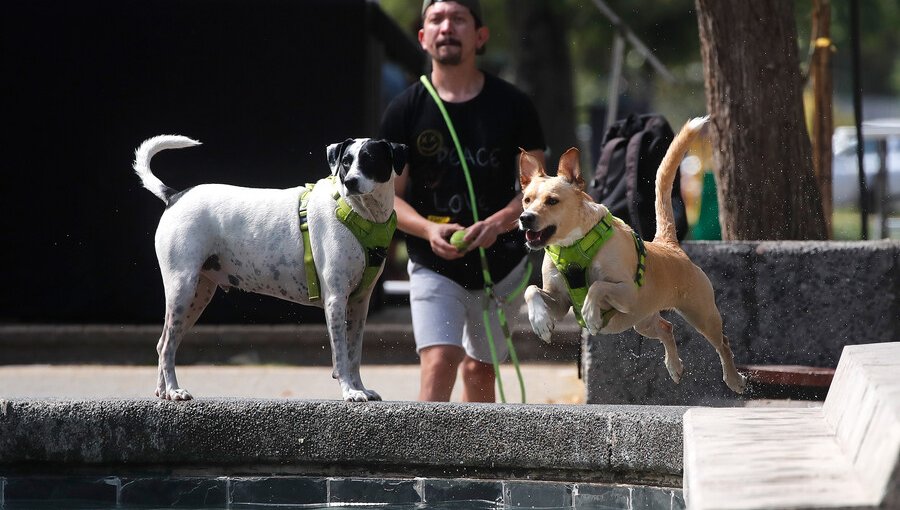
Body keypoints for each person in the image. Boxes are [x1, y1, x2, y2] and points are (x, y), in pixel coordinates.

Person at [378, 0, 546, 402]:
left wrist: (499, 224)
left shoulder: (515, 106)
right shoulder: (403, 111)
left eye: (458, 19)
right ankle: (422, 464)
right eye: (436, 19)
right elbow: (390, 200)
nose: (446, 27)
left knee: (479, 371)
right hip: (433, 262)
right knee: (440, 360)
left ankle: (475, 466)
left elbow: (539, 192)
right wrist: (429, 229)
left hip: (501, 265)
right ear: (422, 37)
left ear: (480, 35)